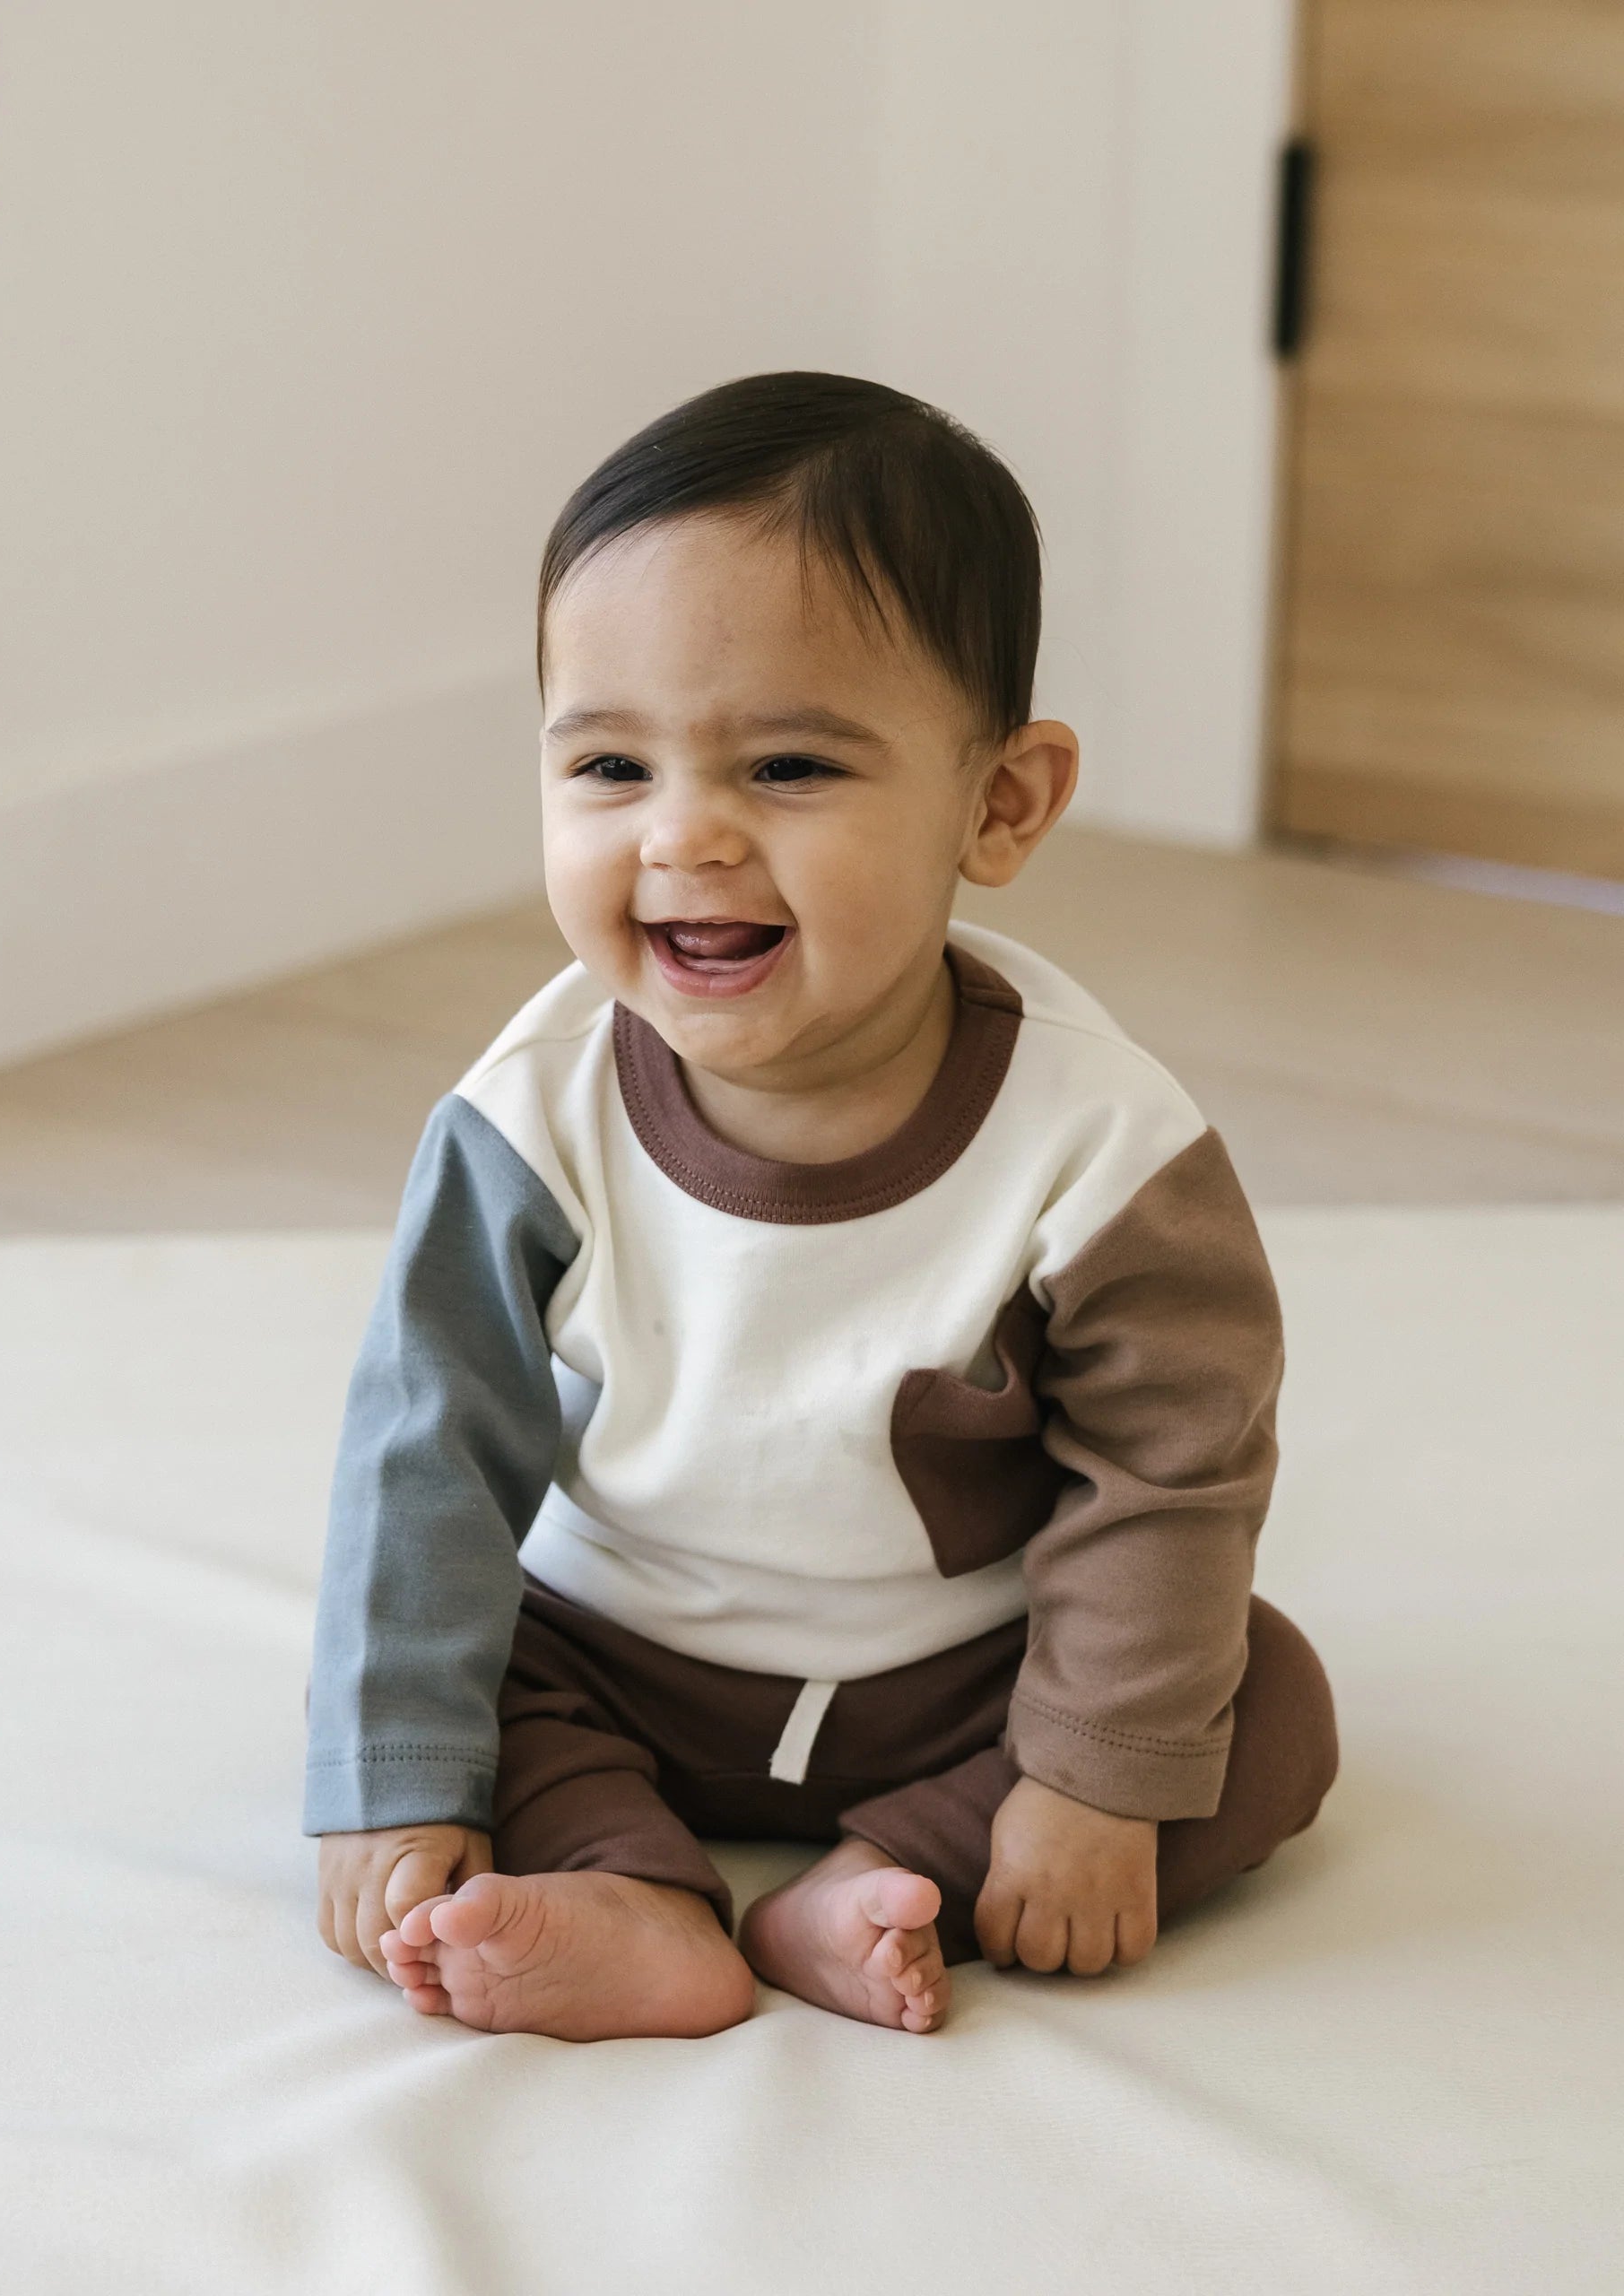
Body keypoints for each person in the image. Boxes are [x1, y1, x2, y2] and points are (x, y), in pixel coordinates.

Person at [305, 372, 1338, 2041]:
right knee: (443, 1689)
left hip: (962, 1680)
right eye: (611, 765)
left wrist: (1086, 1781)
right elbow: (428, 1449)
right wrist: (395, 1778)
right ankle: (636, 1898)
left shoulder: (1098, 1139)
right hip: (609, 1650)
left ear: (1000, 805)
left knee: (1258, 1702)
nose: (685, 835)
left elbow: (1173, 1469)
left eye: (787, 765)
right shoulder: (530, 1110)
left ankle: (879, 1880)